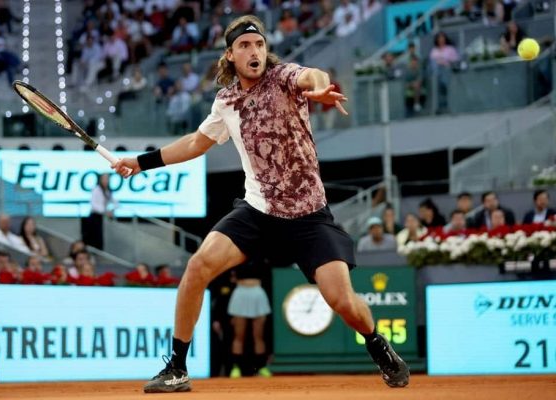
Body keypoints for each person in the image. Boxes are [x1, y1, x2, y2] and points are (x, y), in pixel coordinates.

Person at [113, 15, 409, 393]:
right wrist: (141, 163)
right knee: (197, 267)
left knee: (344, 302)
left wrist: (320, 88)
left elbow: (312, 75)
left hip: (308, 216)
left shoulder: (283, 78)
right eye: (245, 46)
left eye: (259, 45)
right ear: (230, 55)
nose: (254, 51)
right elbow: (196, 143)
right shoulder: (226, 101)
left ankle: (377, 343)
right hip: (258, 211)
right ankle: (177, 367)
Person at [227, 260, 272, 378]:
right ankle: (236, 367)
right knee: (238, 336)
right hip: (240, 293)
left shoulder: (261, 258)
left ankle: (261, 367)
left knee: (258, 336)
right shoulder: (236, 258)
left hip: (258, 293)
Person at [82, 173, 117, 250]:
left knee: (99, 237)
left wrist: (111, 210)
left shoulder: (108, 191)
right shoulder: (96, 189)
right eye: (104, 179)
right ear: (100, 180)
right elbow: (93, 205)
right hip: (94, 216)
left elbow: (115, 202)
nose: (105, 181)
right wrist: (105, 211)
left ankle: (98, 250)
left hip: (101, 217)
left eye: (107, 179)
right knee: (94, 236)